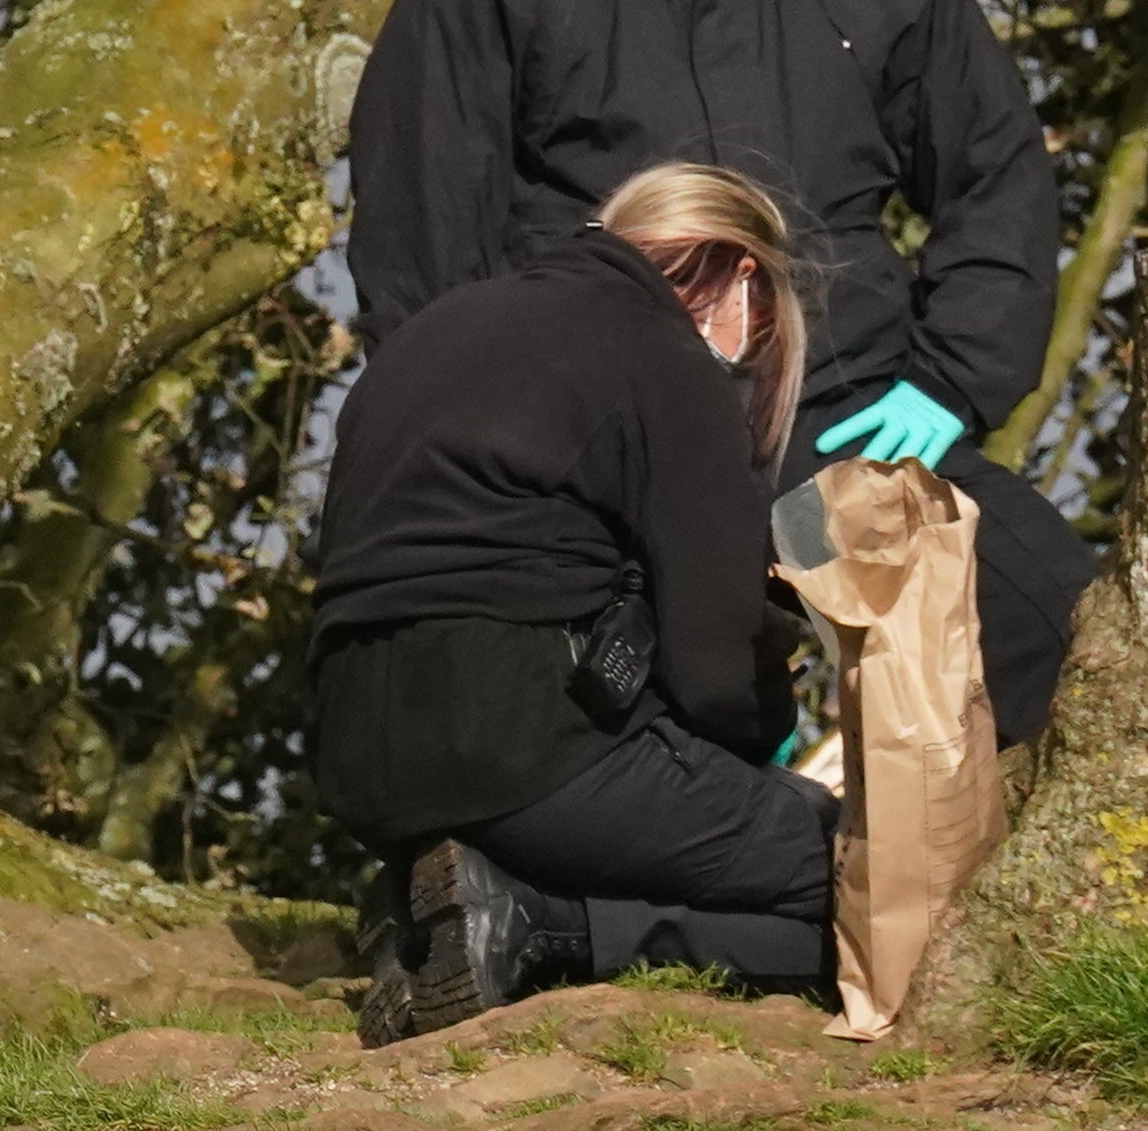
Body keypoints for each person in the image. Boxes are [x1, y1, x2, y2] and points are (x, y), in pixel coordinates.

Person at [342, 0, 1098, 740]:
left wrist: (952, 382)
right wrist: (500, 448)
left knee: (1058, 626)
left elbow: (995, 170)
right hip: (597, 449)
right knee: (613, 734)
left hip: (846, 423)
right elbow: (423, 239)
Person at [309, 162, 828, 1029]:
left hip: (356, 758)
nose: (752, 353)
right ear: (741, 275)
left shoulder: (445, 324)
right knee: (867, 877)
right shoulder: (665, 357)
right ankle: (541, 932)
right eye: (765, 327)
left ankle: (440, 909)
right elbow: (717, 668)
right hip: (526, 748)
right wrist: (771, 744)